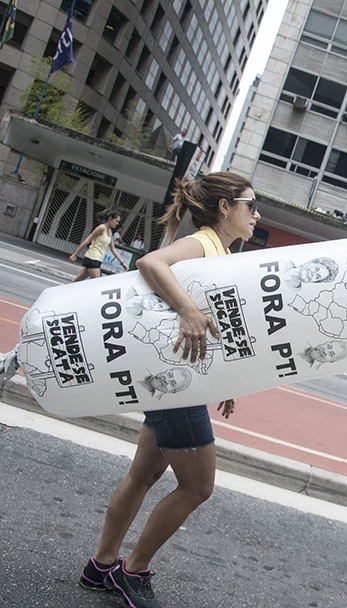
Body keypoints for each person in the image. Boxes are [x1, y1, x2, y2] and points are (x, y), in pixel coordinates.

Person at [79, 172, 260, 608]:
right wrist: (187, 309)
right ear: (225, 207)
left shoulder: (222, 250)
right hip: (176, 385)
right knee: (197, 488)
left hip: (175, 377)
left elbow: (213, 319)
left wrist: (225, 379)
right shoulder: (205, 242)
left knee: (143, 475)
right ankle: (133, 571)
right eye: (250, 205)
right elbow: (151, 262)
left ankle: (101, 566)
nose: (256, 215)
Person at [69, 209, 129, 281]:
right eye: (116, 221)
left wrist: (122, 263)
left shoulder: (109, 232)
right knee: (97, 283)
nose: (117, 224)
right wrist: (75, 255)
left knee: (77, 281)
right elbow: (87, 240)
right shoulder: (101, 228)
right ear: (110, 219)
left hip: (98, 259)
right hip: (92, 257)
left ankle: (64, 290)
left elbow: (113, 249)